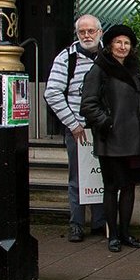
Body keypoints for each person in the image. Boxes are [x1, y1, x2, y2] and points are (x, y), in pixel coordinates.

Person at [80, 25, 140, 253]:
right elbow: (88, 104)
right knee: (112, 187)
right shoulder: (99, 69)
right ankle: (112, 235)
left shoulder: (134, 69)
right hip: (111, 139)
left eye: (127, 43)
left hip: (135, 140)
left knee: (130, 187)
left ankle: (125, 233)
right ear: (110, 44)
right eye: (118, 42)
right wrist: (108, 123)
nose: (122, 47)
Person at [44, 14, 106, 243]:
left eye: (91, 31)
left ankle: (100, 222)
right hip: (77, 128)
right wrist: (72, 123)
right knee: (77, 178)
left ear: (100, 32)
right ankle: (77, 224)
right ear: (77, 34)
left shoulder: (108, 56)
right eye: (82, 32)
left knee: (101, 177)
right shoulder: (66, 58)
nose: (87, 35)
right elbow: (52, 92)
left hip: (102, 127)